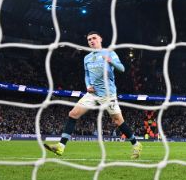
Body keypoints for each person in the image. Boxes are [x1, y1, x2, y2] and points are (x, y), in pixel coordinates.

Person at [44, 31, 142, 159]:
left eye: (94, 38)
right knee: (73, 114)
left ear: (100, 39)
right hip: (92, 93)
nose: (91, 41)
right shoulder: (87, 58)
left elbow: (122, 69)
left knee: (118, 121)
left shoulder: (109, 53)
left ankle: (136, 144)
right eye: (89, 39)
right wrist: (87, 85)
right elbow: (87, 75)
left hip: (108, 94)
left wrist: (110, 61)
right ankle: (61, 146)